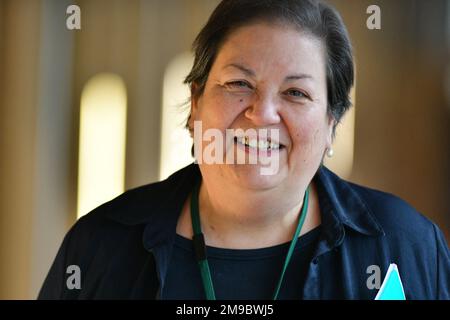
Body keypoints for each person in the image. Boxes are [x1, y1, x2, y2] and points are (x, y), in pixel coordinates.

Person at [39, 0, 450, 300]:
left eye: (296, 92)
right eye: (239, 84)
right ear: (195, 102)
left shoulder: (406, 246)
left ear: (331, 125)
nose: (262, 114)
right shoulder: (99, 247)